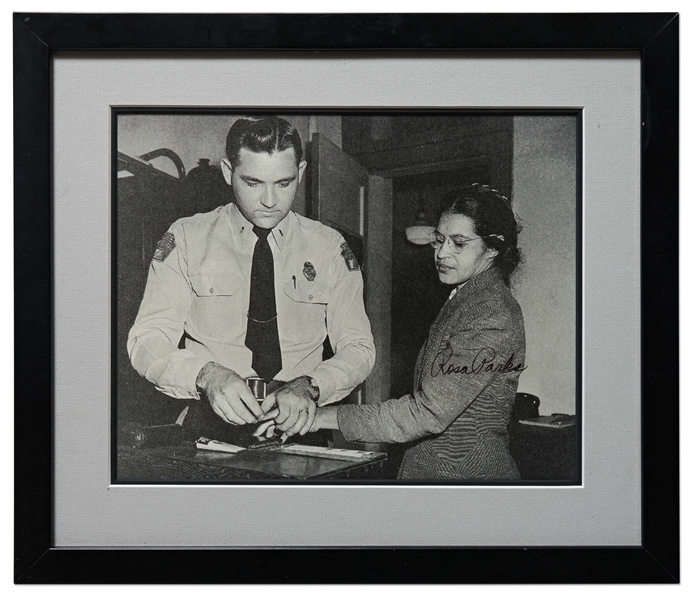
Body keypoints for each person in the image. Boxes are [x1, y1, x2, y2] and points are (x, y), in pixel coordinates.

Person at [127, 115, 375, 441]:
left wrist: (311, 385)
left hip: (298, 426)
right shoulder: (187, 238)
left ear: (300, 172)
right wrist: (206, 375)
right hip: (208, 427)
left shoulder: (329, 248)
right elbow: (146, 340)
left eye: (284, 183)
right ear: (229, 172)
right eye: (253, 183)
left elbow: (359, 347)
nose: (270, 201)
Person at [283, 184, 527, 480]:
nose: (442, 253)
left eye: (459, 243)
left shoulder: (490, 312)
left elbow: (427, 413)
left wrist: (320, 417)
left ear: (493, 247)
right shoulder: (466, 298)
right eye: (439, 240)